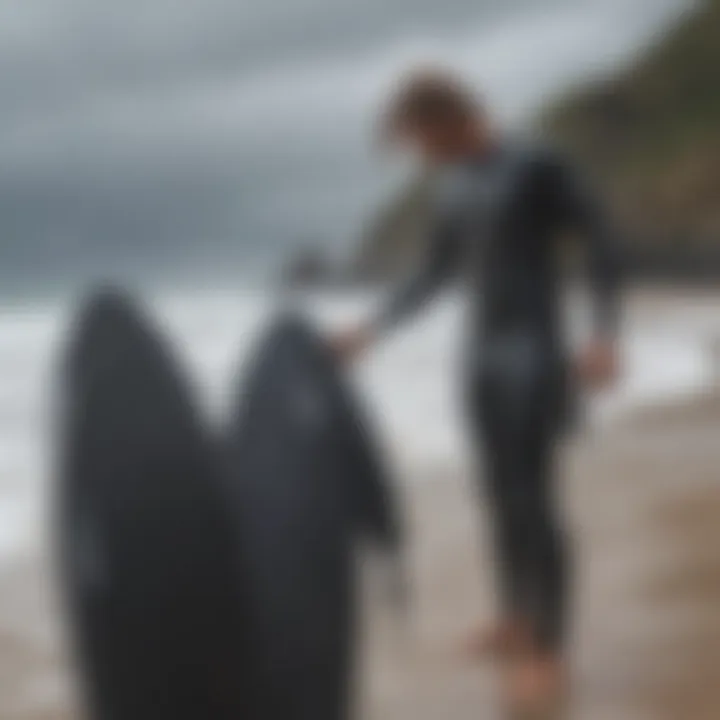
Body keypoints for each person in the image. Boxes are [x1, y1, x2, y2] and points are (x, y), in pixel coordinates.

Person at [331, 68, 621, 711]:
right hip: (480, 360)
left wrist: (603, 333)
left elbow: (600, 238)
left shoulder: (536, 162)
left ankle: (548, 646)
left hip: (537, 356)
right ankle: (516, 617)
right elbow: (434, 274)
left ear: (447, 118)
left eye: (418, 140)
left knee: (534, 500)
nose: (419, 155)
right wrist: (370, 330)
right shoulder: (453, 183)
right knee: (496, 496)